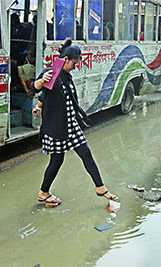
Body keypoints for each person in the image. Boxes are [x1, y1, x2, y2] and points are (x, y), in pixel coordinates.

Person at [31, 39, 118, 207]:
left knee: (86, 153)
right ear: (65, 60)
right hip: (57, 127)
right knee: (56, 161)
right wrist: (41, 81)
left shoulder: (65, 76)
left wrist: (38, 106)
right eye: (74, 63)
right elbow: (35, 88)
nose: (75, 66)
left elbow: (46, 96)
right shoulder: (51, 73)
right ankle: (43, 192)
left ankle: (100, 187)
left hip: (71, 125)